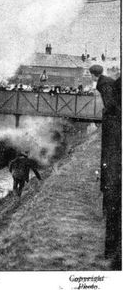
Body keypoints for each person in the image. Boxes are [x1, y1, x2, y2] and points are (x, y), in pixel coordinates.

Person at [89, 65, 121, 269]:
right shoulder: (107, 81)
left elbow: (110, 103)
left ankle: (112, 254)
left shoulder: (103, 84)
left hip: (115, 121)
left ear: (94, 74)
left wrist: (109, 113)